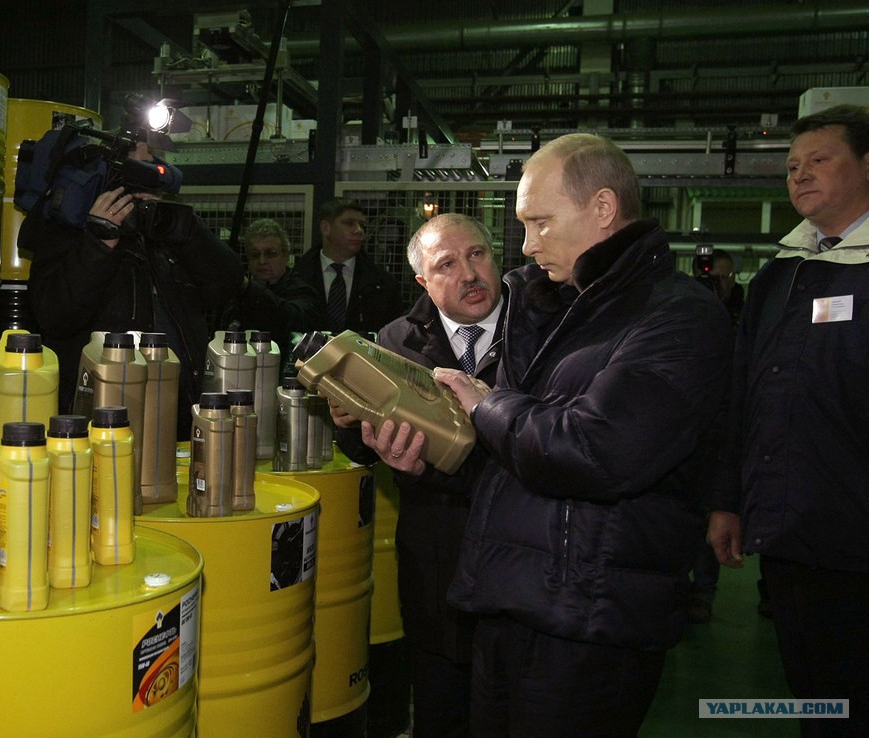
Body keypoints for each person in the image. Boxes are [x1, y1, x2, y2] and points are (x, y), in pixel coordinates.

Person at [358, 133, 733, 737]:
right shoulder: (565, 309)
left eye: (540, 223)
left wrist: (486, 404)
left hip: (590, 617)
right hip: (517, 599)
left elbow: (597, 451)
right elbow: (517, 462)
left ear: (603, 208)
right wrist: (427, 462)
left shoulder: (675, 317)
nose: (528, 246)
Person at [707, 103, 869, 737]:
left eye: (819, 160)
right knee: (817, 695)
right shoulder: (778, 276)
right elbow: (742, 397)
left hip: (857, 532)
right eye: (793, 165)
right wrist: (729, 501)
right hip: (792, 534)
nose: (800, 174)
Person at [330, 213, 505, 737]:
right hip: (436, 553)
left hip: (518, 551)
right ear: (423, 282)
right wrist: (351, 425)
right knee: (440, 703)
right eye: (446, 265)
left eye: (477, 255)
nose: (468, 274)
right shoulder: (394, 341)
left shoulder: (538, 332)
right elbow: (364, 448)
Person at [22, 124, 243, 441]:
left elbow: (227, 284)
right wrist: (100, 242)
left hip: (178, 415)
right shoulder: (69, 233)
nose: (152, 175)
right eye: (142, 168)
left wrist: (185, 229)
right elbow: (56, 315)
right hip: (105, 419)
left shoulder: (163, 234)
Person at [686, 247, 744, 624]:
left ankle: (703, 594)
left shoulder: (744, 313)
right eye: (708, 277)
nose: (715, 284)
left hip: (723, 432)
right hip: (690, 431)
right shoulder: (685, 309)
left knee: (712, 517)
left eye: (721, 278)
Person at [215, 217, 323, 374]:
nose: (262, 261)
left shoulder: (301, 291)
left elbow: (291, 320)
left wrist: (248, 289)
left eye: (270, 254)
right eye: (255, 254)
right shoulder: (236, 297)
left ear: (286, 256)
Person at [291, 197, 402, 334]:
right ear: (326, 228)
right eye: (349, 224)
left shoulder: (383, 284)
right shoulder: (297, 278)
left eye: (362, 225)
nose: (359, 230)